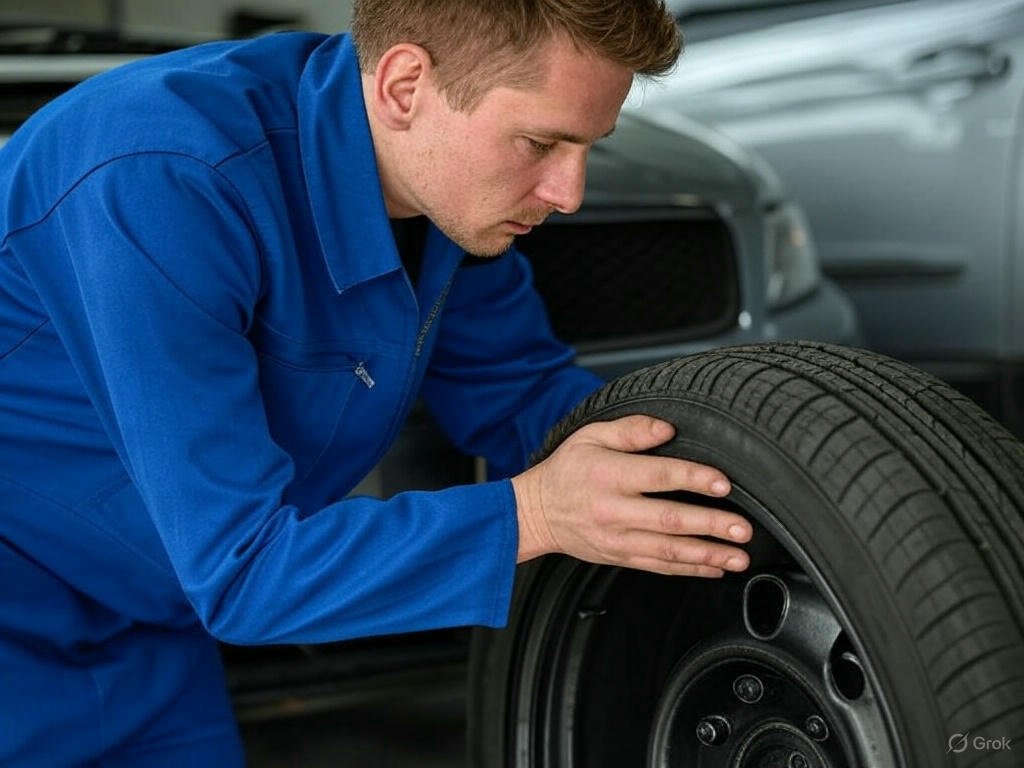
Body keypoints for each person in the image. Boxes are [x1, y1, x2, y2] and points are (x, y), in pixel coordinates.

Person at [0, 0, 753, 764]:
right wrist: (537, 515)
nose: (569, 192)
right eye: (539, 142)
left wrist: (717, 484)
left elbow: (524, 395)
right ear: (403, 87)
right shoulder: (162, 181)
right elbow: (246, 572)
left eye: (589, 146)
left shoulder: (442, 195)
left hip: (151, 630)